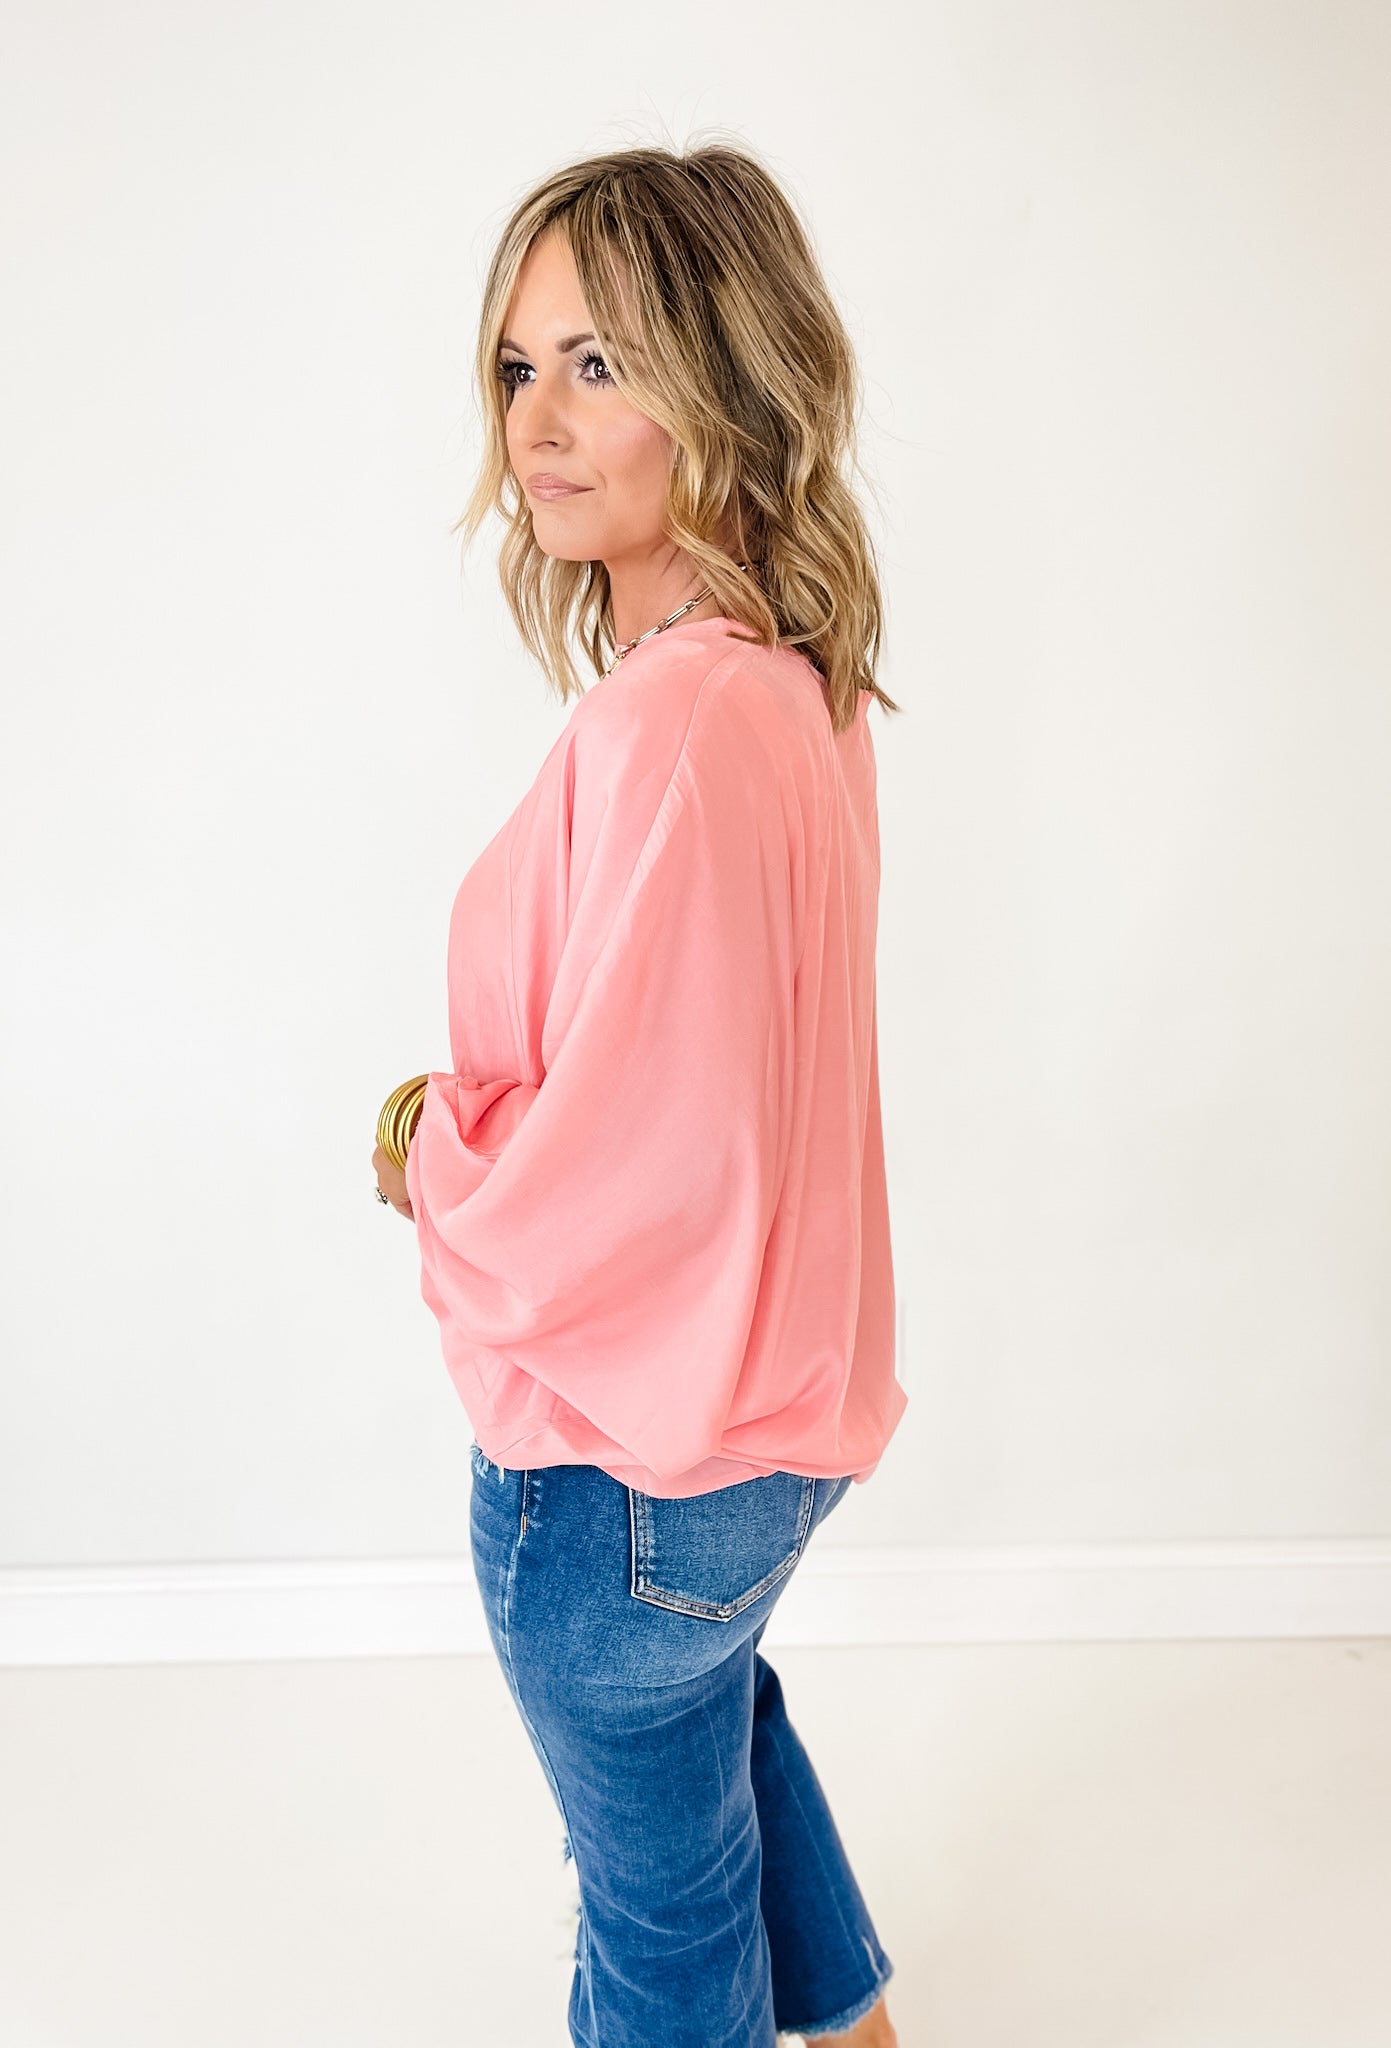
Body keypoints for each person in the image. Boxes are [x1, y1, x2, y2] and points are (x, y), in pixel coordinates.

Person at [372, 138, 907, 2047]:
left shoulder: (671, 720)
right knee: (714, 1721)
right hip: (766, 1429)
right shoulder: (793, 682)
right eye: (519, 367)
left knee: (659, 1909)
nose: (536, 422)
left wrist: (431, 1149)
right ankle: (855, 2027)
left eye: (598, 365)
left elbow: (631, 1156)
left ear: (724, 372)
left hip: (621, 1473)